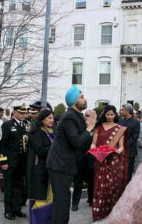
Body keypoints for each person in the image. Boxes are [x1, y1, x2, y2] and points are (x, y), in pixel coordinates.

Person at [46, 86, 95, 224]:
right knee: (61, 203)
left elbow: (83, 144)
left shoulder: (77, 116)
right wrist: (90, 127)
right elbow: (77, 142)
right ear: (74, 101)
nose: (84, 99)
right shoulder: (69, 118)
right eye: (81, 97)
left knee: (64, 201)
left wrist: (91, 135)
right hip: (59, 166)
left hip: (65, 166)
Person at [91, 105, 128, 222]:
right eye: (108, 114)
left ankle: (112, 213)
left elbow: (121, 147)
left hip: (113, 161)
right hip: (100, 160)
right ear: (104, 115)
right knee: (98, 186)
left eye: (112, 114)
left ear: (115, 115)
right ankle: (98, 213)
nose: (110, 117)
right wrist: (93, 150)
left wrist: (116, 151)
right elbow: (93, 143)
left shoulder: (120, 128)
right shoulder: (98, 127)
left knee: (113, 186)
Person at [0, 104, 29, 220]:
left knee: (19, 187)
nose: (23, 115)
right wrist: (3, 162)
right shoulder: (7, 125)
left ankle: (17, 209)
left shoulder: (26, 125)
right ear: (15, 113)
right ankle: (8, 211)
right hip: (10, 163)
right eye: (21, 113)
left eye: (24, 113)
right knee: (9, 187)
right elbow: (2, 145)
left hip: (21, 163)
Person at [26, 109, 55, 224]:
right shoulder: (36, 133)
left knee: (50, 199)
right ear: (42, 119)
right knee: (40, 199)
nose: (52, 120)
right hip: (39, 171)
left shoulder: (52, 131)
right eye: (49, 118)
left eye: (52, 118)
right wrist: (55, 146)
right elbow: (40, 151)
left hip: (51, 171)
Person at [71, 110, 96, 211]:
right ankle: (75, 203)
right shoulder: (79, 127)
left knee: (92, 181)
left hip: (92, 159)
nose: (88, 117)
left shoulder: (97, 128)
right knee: (78, 182)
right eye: (86, 116)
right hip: (80, 158)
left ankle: (91, 200)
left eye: (90, 116)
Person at [119, 103, 140, 181]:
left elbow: (134, 137)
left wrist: (123, 145)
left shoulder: (136, 122)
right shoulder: (120, 121)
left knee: (128, 173)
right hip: (120, 151)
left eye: (123, 110)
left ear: (127, 111)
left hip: (130, 152)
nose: (121, 111)